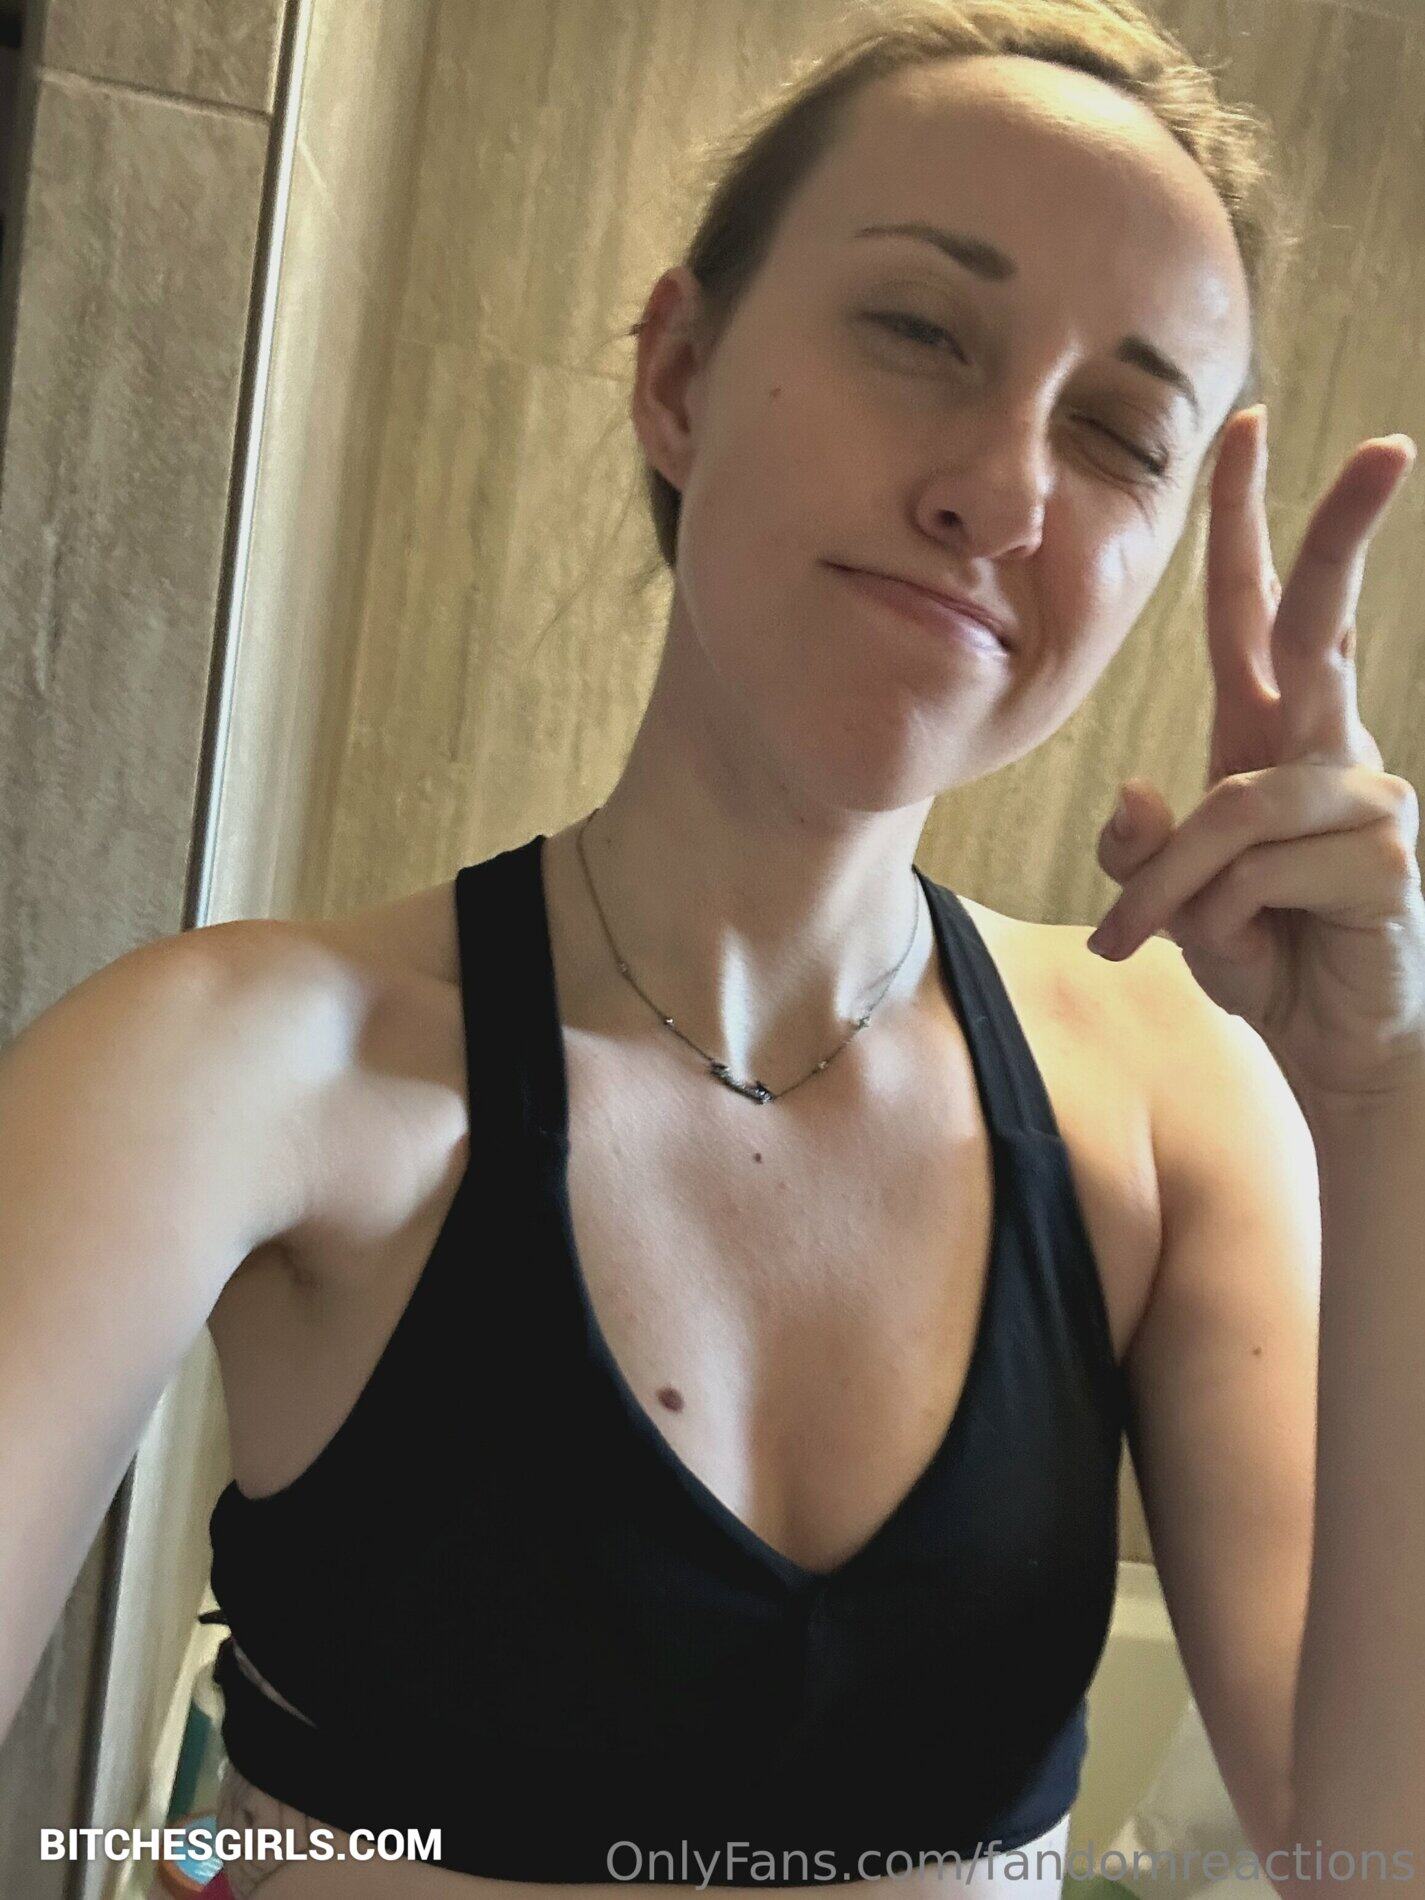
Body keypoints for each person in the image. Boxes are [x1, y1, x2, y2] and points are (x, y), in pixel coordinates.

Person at [5, 2, 1422, 1897]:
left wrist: (1384, 1101)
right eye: (920, 329)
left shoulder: (1175, 1112)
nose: (1004, 490)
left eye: (1116, 432)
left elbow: (1367, 1863)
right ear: (679, 373)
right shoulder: (235, 1066)